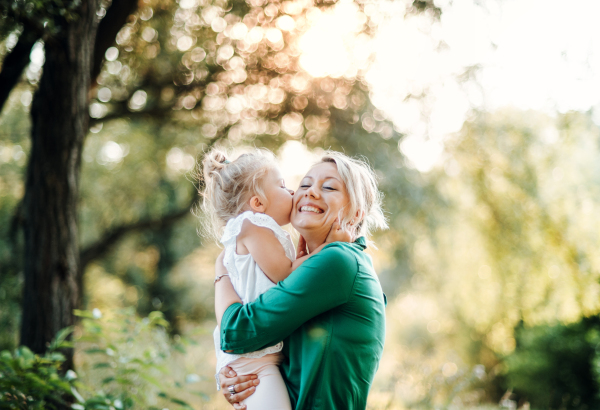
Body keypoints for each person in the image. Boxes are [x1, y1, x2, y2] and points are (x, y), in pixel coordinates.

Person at [214, 151, 388, 410]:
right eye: (304, 184)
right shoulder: (330, 264)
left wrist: (222, 269)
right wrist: (240, 377)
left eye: (329, 187)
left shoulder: (338, 261)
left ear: (355, 214)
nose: (310, 192)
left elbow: (236, 332)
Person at [202, 148, 326, 410]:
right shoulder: (253, 225)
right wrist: (327, 250)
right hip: (255, 363)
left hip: (259, 358)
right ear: (258, 203)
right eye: (282, 186)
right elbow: (286, 276)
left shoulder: (257, 229)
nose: (292, 192)